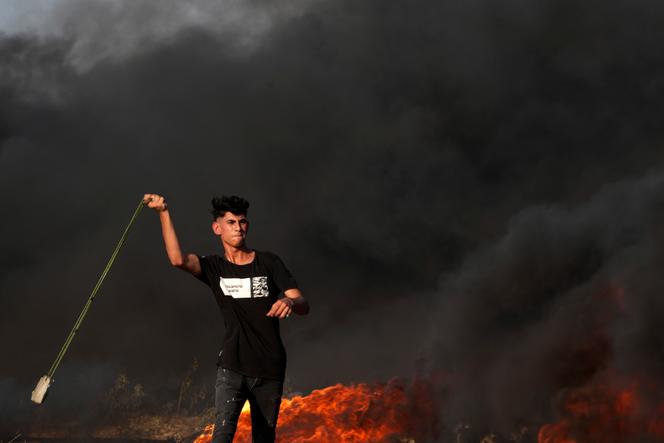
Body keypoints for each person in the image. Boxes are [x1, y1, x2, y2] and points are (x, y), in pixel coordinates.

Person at [143, 193, 309, 443]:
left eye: (242, 222)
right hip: (232, 368)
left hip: (269, 369)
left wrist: (288, 300)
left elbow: (302, 303)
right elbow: (177, 259)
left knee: (264, 439)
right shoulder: (214, 267)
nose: (238, 228)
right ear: (217, 228)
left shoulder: (269, 262)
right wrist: (163, 212)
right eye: (231, 222)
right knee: (221, 437)